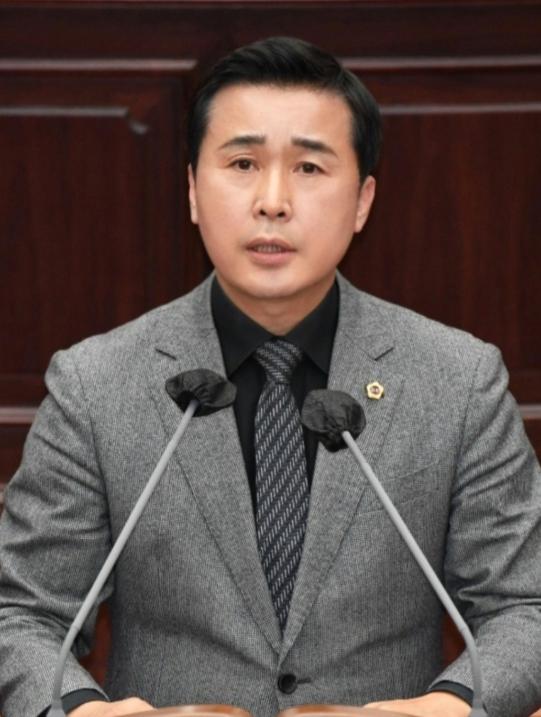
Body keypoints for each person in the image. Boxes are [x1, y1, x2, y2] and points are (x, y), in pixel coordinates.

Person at [0, 36, 540, 717]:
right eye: (242, 163)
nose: (273, 201)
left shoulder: (457, 379)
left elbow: (526, 604)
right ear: (193, 191)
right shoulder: (95, 383)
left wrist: (449, 707)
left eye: (309, 167)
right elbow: (21, 613)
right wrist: (85, 711)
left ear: (362, 200)